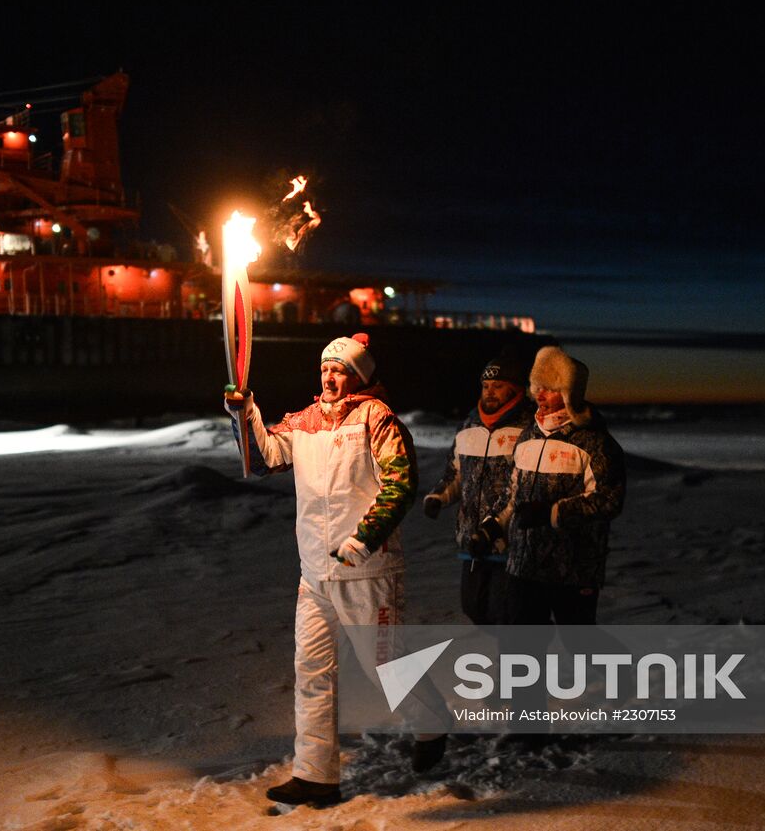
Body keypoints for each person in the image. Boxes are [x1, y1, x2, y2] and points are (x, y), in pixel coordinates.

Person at [225, 332, 443, 807]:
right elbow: (265, 459)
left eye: (339, 369)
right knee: (312, 672)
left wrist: (362, 540)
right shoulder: (303, 422)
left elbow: (401, 484)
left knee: (385, 664)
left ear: (358, 376)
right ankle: (315, 775)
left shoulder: (376, 418)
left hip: (368, 570)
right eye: (325, 367)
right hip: (315, 572)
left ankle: (430, 721)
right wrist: (245, 414)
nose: (329, 376)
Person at [491, 345, 626, 626]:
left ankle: (620, 671)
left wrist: (551, 513)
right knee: (520, 644)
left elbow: (609, 499)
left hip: (573, 568)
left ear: (570, 393)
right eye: (538, 386)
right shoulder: (528, 436)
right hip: (524, 563)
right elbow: (513, 491)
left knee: (580, 645)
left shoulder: (594, 442)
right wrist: (493, 523)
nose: (540, 394)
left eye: (551, 388)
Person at [422, 352, 534, 624]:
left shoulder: (529, 428)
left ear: (516, 389)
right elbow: (456, 473)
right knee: (474, 608)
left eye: (498, 386)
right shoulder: (469, 426)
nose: (490, 392)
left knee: (503, 612)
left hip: (510, 542)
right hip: (473, 541)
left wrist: (496, 526)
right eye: (485, 386)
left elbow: (525, 488)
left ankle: (517, 658)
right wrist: (438, 496)